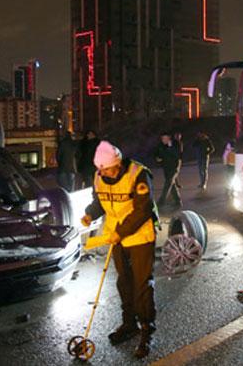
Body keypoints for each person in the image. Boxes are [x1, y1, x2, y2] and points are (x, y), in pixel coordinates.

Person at [81, 141, 157, 359]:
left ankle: (146, 329)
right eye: (102, 170)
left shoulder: (138, 174)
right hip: (117, 238)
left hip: (140, 236)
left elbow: (144, 208)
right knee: (124, 281)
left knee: (142, 284)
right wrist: (90, 214)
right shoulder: (99, 176)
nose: (106, 174)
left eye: (109, 169)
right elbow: (100, 201)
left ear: (118, 163)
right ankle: (129, 323)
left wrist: (121, 232)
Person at [153, 133, 182, 208]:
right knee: (172, 185)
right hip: (166, 167)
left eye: (165, 138)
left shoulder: (175, 144)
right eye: (162, 139)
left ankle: (160, 202)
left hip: (174, 167)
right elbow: (157, 154)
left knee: (168, 183)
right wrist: (157, 158)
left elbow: (178, 155)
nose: (164, 140)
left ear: (169, 138)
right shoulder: (161, 146)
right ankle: (178, 201)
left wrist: (170, 147)